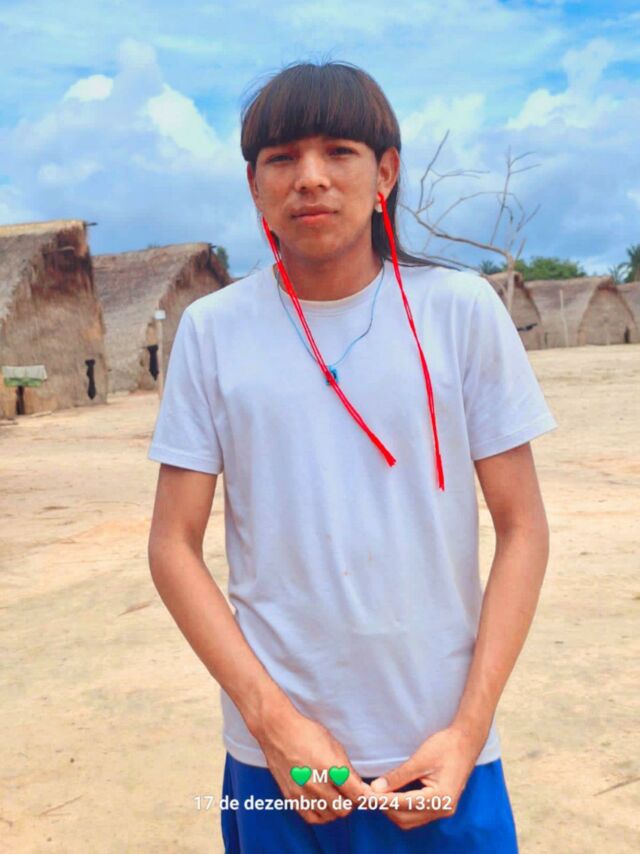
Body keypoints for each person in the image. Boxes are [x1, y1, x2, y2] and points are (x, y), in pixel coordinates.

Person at [147, 60, 557, 853]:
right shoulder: (213, 330)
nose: (310, 177)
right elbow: (172, 545)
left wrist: (468, 731)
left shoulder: (460, 312)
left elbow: (523, 528)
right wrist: (273, 723)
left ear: (385, 173)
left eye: (339, 151)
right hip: (280, 768)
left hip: (441, 755)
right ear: (254, 184)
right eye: (281, 158)